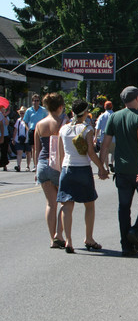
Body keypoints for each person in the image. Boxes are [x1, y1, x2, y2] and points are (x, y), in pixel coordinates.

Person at [100, 86, 138, 257]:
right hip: (137, 170)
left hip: (121, 170)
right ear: (137, 99)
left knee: (124, 207)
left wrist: (102, 167)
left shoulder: (114, 117)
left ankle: (126, 246)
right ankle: (136, 231)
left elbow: (106, 144)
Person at [57, 100, 108, 253]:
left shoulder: (63, 129)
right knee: (89, 204)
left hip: (67, 168)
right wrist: (102, 168)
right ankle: (89, 238)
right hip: (83, 169)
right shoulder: (87, 129)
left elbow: (61, 154)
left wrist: (62, 169)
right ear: (85, 113)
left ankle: (68, 240)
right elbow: (91, 153)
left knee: (67, 205)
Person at [34, 93, 66, 249]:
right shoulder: (62, 123)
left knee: (50, 204)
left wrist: (36, 169)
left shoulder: (39, 124)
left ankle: (52, 238)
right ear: (60, 107)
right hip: (57, 165)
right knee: (64, 202)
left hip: (42, 164)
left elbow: (36, 149)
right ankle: (59, 234)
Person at [94, 100, 114, 171]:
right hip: (114, 138)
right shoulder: (115, 115)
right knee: (114, 152)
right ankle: (111, 162)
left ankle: (107, 168)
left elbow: (97, 127)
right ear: (112, 107)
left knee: (105, 153)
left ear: (105, 107)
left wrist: (96, 137)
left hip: (104, 137)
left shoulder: (102, 116)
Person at [12, 106, 31, 172]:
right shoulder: (18, 120)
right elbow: (15, 130)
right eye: (21, 113)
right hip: (19, 139)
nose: (21, 114)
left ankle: (28, 166)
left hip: (27, 139)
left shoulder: (28, 120)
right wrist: (13, 139)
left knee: (28, 152)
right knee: (19, 152)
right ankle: (18, 166)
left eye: (23, 113)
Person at [0, 104, 9, 171]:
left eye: (4, 111)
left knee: (4, 150)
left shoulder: (4, 117)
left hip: (4, 135)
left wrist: (4, 117)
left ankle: (4, 164)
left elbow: (4, 124)